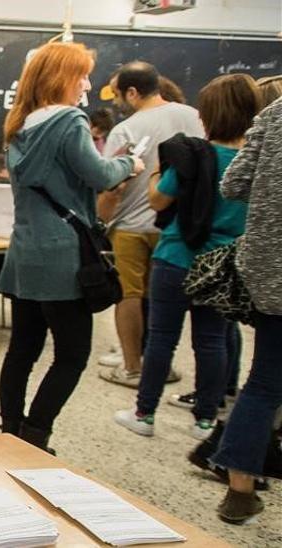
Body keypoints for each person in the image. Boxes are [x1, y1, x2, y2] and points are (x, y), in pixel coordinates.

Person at [0, 42, 142, 453]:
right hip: (63, 255)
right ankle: (36, 434)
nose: (88, 83)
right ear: (63, 77)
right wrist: (130, 164)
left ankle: (9, 429)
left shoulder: (20, 127)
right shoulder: (70, 122)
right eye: (81, 75)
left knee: (22, 348)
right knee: (73, 353)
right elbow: (97, 174)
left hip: (25, 252)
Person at [113, 74, 262, 441]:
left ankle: (144, 414)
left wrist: (156, 175)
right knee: (212, 340)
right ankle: (205, 420)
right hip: (223, 262)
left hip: (176, 256)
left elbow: (158, 199)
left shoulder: (193, 156)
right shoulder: (253, 163)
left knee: (162, 337)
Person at [98, 62, 205, 388]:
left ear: (132, 92)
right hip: (177, 226)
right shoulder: (192, 116)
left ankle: (132, 367)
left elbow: (111, 183)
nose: (117, 102)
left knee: (127, 296)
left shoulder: (126, 129)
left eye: (118, 95)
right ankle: (162, 365)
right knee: (166, 300)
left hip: (130, 224)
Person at [208, 94, 282, 525]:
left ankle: (240, 492)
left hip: (269, 269)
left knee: (264, 381)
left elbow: (233, 185)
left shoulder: (273, 114)